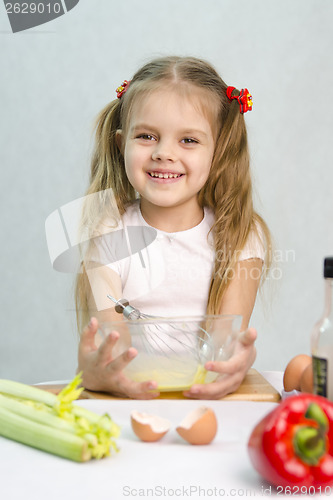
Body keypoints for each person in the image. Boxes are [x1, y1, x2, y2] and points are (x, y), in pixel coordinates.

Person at [75, 55, 272, 399]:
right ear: (122, 145)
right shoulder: (108, 231)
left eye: (189, 140)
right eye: (147, 136)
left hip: (209, 405)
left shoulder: (240, 234)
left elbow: (225, 346)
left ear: (219, 150)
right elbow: (115, 344)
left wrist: (238, 361)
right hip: (131, 402)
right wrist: (95, 373)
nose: (164, 153)